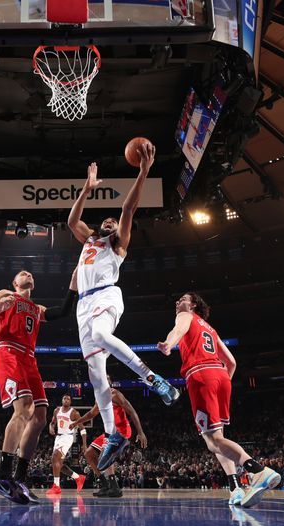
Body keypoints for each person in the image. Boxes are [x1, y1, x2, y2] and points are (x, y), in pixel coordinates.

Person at [67, 144, 179, 472]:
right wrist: (86, 190)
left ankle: (152, 378)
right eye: (105, 219)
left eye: (112, 221)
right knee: (96, 375)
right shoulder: (89, 239)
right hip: (83, 305)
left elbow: (128, 210)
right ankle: (113, 434)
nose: (109, 221)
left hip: (106, 296)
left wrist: (143, 172)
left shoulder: (118, 244)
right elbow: (72, 220)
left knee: (103, 334)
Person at [158, 293, 280, 508]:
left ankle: (258, 471)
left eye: (183, 299)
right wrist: (221, 383)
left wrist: (169, 344)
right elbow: (231, 362)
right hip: (221, 377)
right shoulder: (211, 329)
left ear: (193, 305)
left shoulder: (186, 315)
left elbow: (178, 329)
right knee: (215, 441)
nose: (178, 302)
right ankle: (235, 488)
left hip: (201, 375)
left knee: (213, 440)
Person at [0, 269, 78, 504]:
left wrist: (73, 285)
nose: (27, 273)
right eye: (22, 273)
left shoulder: (36, 308)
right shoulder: (5, 294)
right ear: (15, 282)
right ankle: (2, 474)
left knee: (40, 417)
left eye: (30, 273)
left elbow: (62, 311)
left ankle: (19, 477)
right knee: (23, 409)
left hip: (30, 359)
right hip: (9, 352)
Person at [69, 377, 147, 498]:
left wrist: (140, 432)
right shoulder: (99, 398)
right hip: (109, 432)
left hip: (122, 431)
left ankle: (114, 487)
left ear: (109, 382)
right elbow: (91, 414)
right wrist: (76, 422)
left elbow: (132, 411)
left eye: (105, 379)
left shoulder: (115, 394)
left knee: (105, 452)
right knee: (89, 453)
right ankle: (105, 484)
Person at [46, 394, 87, 495]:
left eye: (68, 399)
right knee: (59, 463)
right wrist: (50, 427)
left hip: (67, 437)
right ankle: (78, 478)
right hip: (58, 437)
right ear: (62, 400)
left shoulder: (74, 413)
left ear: (70, 402)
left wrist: (84, 444)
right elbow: (52, 423)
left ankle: (56, 487)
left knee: (55, 457)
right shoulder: (56, 411)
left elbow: (83, 429)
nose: (66, 400)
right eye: (64, 398)